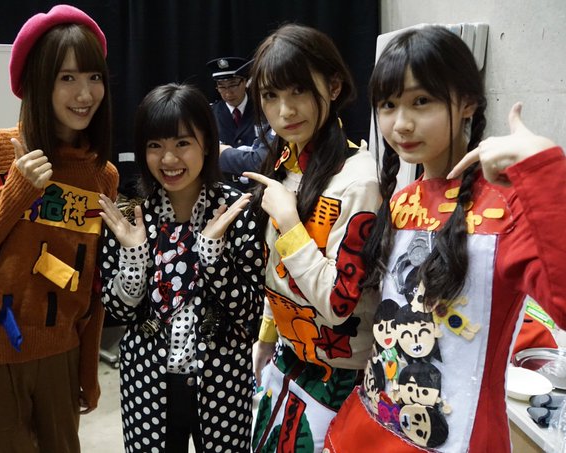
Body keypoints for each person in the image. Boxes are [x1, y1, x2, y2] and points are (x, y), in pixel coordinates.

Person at [323, 25, 566, 452]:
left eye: (421, 101)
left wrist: (544, 168)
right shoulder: (402, 201)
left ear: (467, 102)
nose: (401, 124)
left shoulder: (506, 207)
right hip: (373, 420)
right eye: (388, 104)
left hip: (458, 437)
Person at [0, 5, 118, 452]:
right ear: (39, 81)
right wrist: (17, 190)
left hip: (59, 353)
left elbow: (92, 283)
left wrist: (87, 369)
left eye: (94, 76)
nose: (85, 93)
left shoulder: (103, 176)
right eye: (67, 77)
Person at [98, 83, 265, 452]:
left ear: (206, 144)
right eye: (155, 145)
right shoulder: (130, 212)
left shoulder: (236, 210)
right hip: (147, 379)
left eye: (182, 143)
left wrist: (213, 256)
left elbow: (250, 312)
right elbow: (117, 310)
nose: (169, 159)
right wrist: (134, 257)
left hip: (222, 379)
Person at [242, 24, 382, 452]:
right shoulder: (285, 162)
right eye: (270, 96)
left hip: (340, 374)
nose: (284, 110)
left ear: (333, 86)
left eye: (299, 90)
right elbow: (277, 268)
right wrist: (267, 335)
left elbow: (339, 304)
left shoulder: (359, 180)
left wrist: (289, 223)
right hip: (289, 357)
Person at [207, 56, 257, 148]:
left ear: (245, 82)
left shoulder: (261, 109)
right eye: (222, 87)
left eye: (233, 85)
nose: (228, 93)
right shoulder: (211, 114)